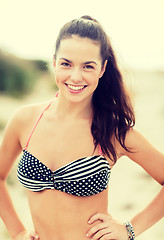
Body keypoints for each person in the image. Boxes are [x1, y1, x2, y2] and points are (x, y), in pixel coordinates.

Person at [0, 15, 164, 240]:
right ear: (54, 61)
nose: (75, 76)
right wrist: (17, 231)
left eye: (88, 66)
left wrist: (129, 228)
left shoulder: (114, 131)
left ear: (102, 69)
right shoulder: (25, 120)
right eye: (66, 64)